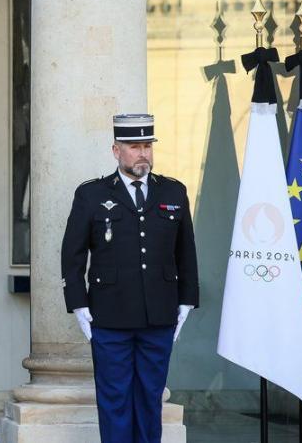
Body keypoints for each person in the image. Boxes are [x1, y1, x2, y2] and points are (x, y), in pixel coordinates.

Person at [61, 114, 199, 443]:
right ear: (116, 151)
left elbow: (186, 252)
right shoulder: (91, 195)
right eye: (134, 147)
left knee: (150, 399)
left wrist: (187, 300)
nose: (143, 154)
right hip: (109, 316)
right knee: (115, 400)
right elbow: (73, 254)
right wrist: (78, 305)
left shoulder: (174, 192)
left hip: (159, 316)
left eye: (147, 146)